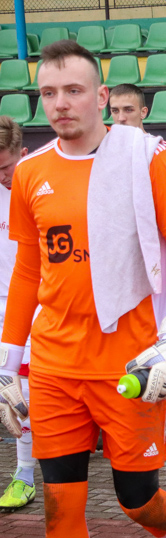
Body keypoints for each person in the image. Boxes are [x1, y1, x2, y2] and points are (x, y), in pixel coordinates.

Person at [0, 40, 166, 538]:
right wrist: (5, 363)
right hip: (53, 368)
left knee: (138, 500)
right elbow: (27, 271)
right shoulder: (30, 172)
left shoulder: (148, 157)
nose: (60, 103)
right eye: (49, 93)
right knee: (60, 504)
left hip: (130, 366)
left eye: (73, 90)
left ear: (101, 95)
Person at [108, 83, 166, 439]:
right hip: (124, 262)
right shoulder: (104, 153)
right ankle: (123, 410)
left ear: (143, 112)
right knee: (124, 335)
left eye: (128, 110)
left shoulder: (162, 151)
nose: (121, 117)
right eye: (114, 111)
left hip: (162, 262)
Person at [0, 116, 35, 511]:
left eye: (6, 167)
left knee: (20, 395)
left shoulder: (36, 188)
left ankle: (24, 475)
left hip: (33, 307)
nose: (2, 176)